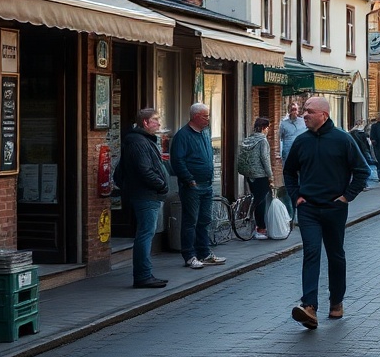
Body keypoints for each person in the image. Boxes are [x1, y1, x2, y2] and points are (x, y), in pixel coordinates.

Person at [284, 96, 370, 329]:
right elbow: (289, 172)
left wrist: (346, 197)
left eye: (309, 111)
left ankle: (336, 301)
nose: (304, 114)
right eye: (304, 111)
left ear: (324, 114)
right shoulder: (301, 142)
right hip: (309, 208)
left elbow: (362, 171)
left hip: (334, 208)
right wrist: (296, 197)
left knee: (335, 255)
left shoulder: (343, 139)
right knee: (311, 252)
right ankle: (309, 306)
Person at [113, 108, 170, 288]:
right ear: (145, 122)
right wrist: (161, 184)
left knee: (146, 233)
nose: (159, 123)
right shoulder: (137, 141)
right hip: (146, 195)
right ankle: (143, 275)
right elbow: (144, 170)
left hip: (148, 194)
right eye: (155, 120)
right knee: (145, 234)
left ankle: (145, 274)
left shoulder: (142, 140)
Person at [170, 103, 226, 269]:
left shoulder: (205, 133)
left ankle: (205, 253)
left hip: (207, 185)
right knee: (190, 221)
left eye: (208, 116)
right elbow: (177, 160)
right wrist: (189, 179)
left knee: (204, 220)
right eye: (205, 116)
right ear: (195, 116)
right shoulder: (183, 135)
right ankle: (189, 255)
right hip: (192, 186)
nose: (208, 119)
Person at [238, 116, 273, 239]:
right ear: (263, 128)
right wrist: (270, 176)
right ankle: (261, 229)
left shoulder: (249, 139)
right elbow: (265, 159)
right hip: (260, 175)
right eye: (268, 127)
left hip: (249, 174)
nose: (268, 130)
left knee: (255, 199)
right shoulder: (263, 141)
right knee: (261, 201)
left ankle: (254, 226)